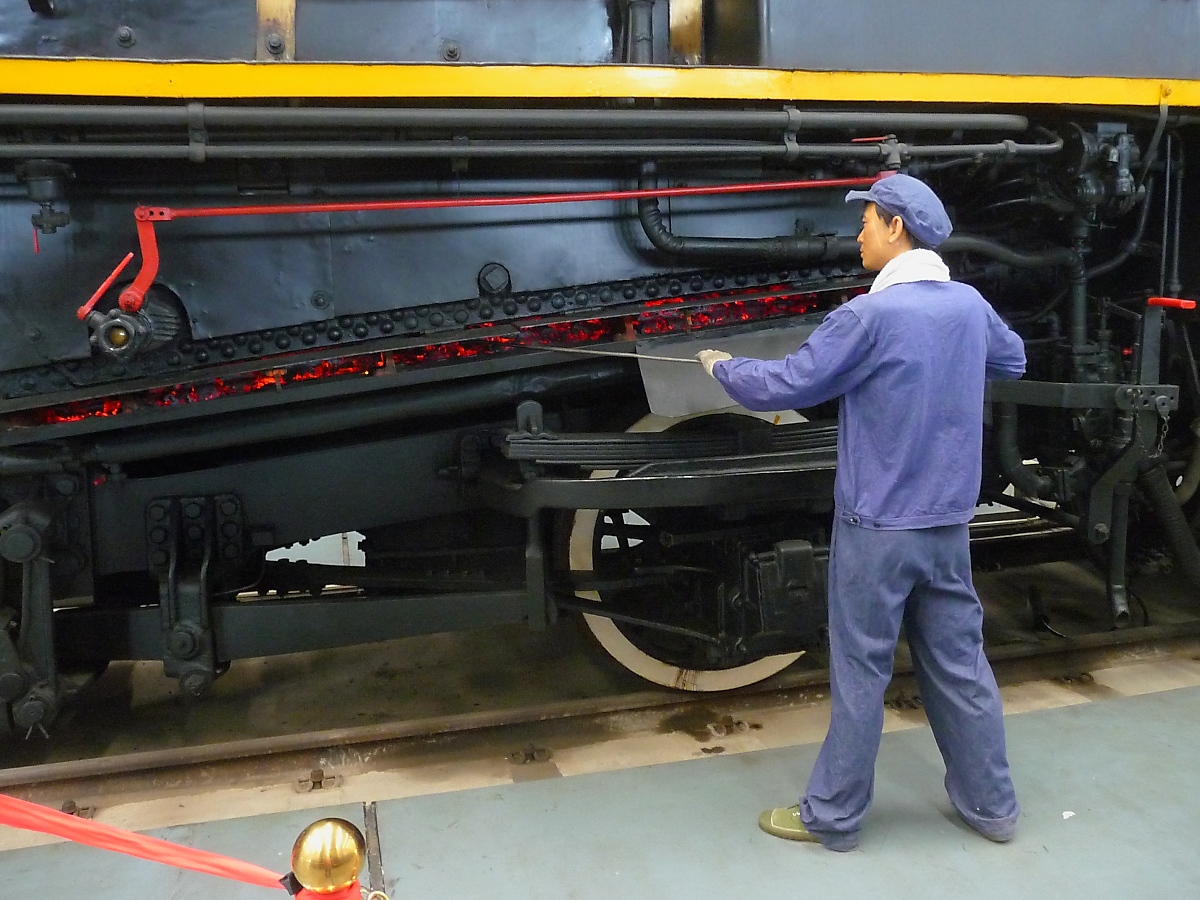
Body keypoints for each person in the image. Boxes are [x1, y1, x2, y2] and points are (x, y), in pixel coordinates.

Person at [696, 173, 1026, 851]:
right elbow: (1013, 359)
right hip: (946, 526)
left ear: (897, 228)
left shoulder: (869, 316)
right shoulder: (968, 306)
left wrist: (723, 367)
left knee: (861, 676)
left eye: (867, 222)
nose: (859, 236)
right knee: (960, 667)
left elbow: (788, 383)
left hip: (877, 530)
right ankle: (992, 808)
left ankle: (834, 817)